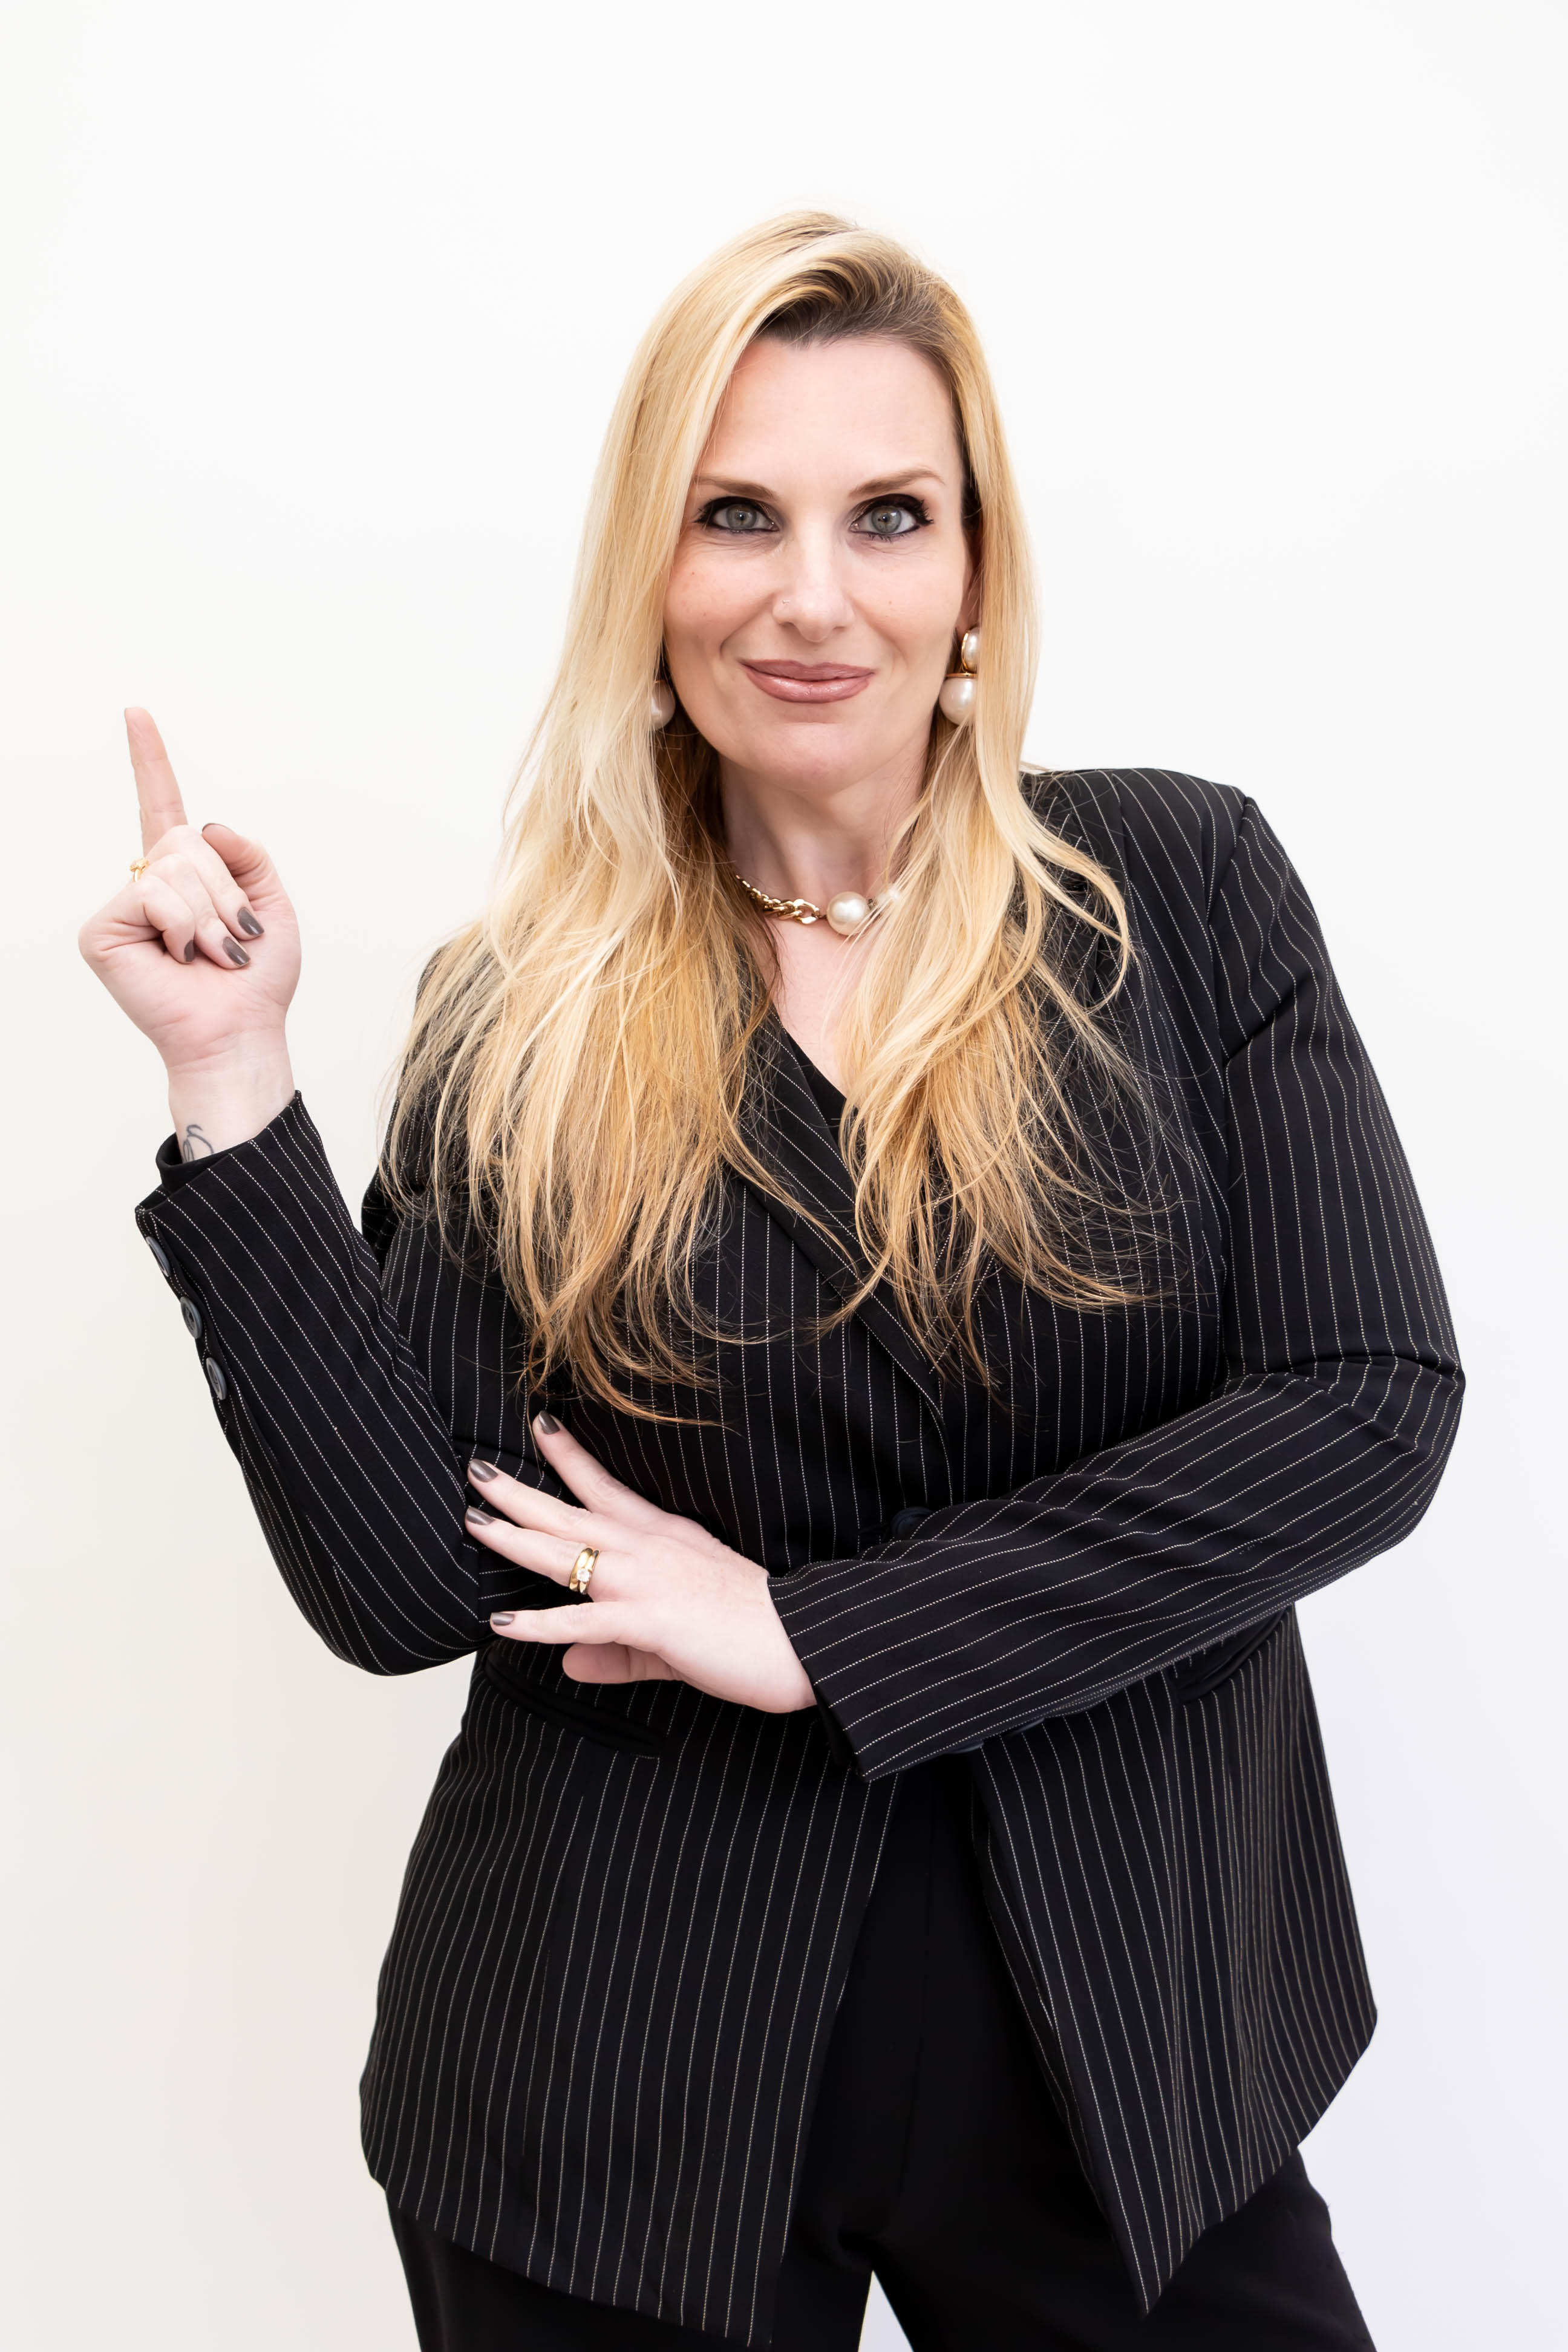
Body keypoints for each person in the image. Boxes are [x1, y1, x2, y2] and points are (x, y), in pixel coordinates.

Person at [79, 214, 1461, 2351]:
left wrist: (822, 1633)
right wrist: (233, 1082)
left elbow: (1362, 1408)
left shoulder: (1181, 890)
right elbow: (405, 1587)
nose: (814, 594)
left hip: (1133, 2040)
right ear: (651, 572)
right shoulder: (519, 1009)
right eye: (737, 515)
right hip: (614, 2064)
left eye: (887, 516)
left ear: (975, 573)